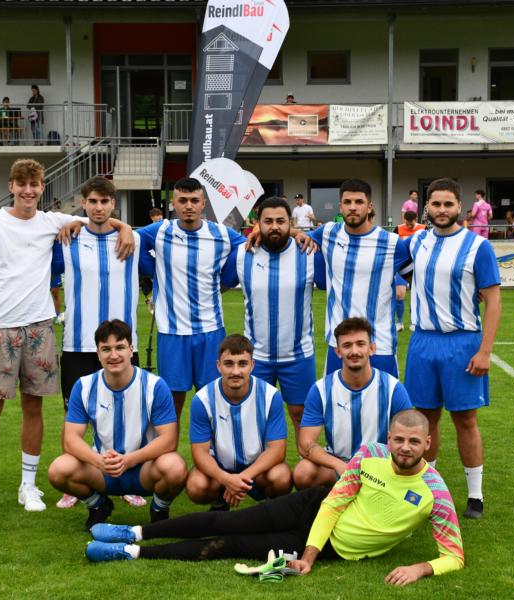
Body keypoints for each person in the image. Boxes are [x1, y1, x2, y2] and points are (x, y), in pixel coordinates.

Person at [85, 410, 465, 589]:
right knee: (228, 520)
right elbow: (333, 503)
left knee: (229, 545)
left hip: (332, 546)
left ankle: (130, 553)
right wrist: (309, 556)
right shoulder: (370, 454)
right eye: (398, 439)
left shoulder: (435, 493)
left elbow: (454, 556)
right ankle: (132, 532)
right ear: (389, 437)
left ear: (428, 443)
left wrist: (420, 568)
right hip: (313, 507)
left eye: (414, 441)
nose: (404, 447)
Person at [0, 158, 134, 517]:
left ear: (41, 187)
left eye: (34, 184)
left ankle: (28, 485)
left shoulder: (52, 222)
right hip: (0, 328)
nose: (28, 190)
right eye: (21, 184)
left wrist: (125, 226)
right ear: (11, 186)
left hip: (39, 327)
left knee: (33, 407)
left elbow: (97, 218)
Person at [404, 178, 501, 520]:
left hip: (462, 342)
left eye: (448, 204)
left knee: (465, 420)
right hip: (423, 341)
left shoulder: (478, 247)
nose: (442, 210)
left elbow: (493, 302)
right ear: (426, 207)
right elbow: (384, 256)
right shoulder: (415, 242)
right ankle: (428, 489)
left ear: (460, 207)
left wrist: (485, 351)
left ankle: (475, 495)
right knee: (424, 419)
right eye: (436, 204)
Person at [49, 176, 142, 508]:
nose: (99, 207)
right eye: (93, 201)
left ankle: (126, 479)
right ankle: (75, 479)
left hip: (122, 347)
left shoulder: (135, 239)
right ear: (83, 203)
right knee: (74, 416)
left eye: (105, 202)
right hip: (77, 344)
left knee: (126, 416)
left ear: (113, 204)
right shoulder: (67, 238)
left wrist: (125, 227)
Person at [47, 319, 187, 528]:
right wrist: (98, 461)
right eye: (106, 349)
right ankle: (98, 506)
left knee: (175, 467)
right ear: (97, 353)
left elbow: (169, 439)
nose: (113, 355)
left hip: (143, 469)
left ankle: (159, 509)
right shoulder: (84, 386)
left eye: (120, 347)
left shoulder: (154, 386)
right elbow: (70, 439)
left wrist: (129, 460)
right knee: (58, 470)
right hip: (103, 470)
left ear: (131, 350)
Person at [133, 177, 246, 420]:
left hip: (210, 330)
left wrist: (226, 280)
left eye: (194, 200)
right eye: (182, 200)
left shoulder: (220, 234)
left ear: (203, 203)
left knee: (213, 400)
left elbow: (248, 245)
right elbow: (131, 237)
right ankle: (168, 446)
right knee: (172, 401)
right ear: (174, 203)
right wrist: (151, 270)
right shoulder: (161, 230)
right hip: (172, 332)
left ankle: (212, 446)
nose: (189, 206)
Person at [220, 197, 320, 437]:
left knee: (300, 414)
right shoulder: (242, 254)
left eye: (280, 221)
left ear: (290, 223)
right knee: (254, 417)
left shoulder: (308, 253)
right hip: (256, 357)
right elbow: (215, 286)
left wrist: (298, 234)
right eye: (268, 221)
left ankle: (305, 463)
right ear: (258, 223)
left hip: (298, 355)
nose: (274, 226)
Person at [301, 179, 410, 377]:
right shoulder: (327, 233)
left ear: (369, 206)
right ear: (340, 206)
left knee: (382, 398)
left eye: (359, 202)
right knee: (335, 397)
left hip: (380, 345)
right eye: (347, 202)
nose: (353, 207)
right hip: (339, 345)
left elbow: (418, 277)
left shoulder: (393, 243)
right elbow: (296, 235)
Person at [294, 317, 412, 489]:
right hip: (338, 465)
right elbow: (305, 444)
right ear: (338, 351)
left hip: (380, 467)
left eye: (360, 344)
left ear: (371, 349)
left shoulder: (394, 389)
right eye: (347, 345)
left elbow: (409, 438)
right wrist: (339, 465)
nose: (354, 351)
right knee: (303, 472)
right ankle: (329, 502)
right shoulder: (321, 389)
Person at [187, 334, 291, 510]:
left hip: (258, 470)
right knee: (196, 485)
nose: (235, 371)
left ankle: (268, 510)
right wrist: (226, 479)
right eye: (229, 364)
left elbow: (277, 450)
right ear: (218, 366)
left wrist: (242, 478)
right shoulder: (202, 399)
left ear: (252, 365)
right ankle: (219, 501)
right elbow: (200, 454)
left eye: (242, 364)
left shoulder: (270, 396)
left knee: (281, 477)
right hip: (220, 470)